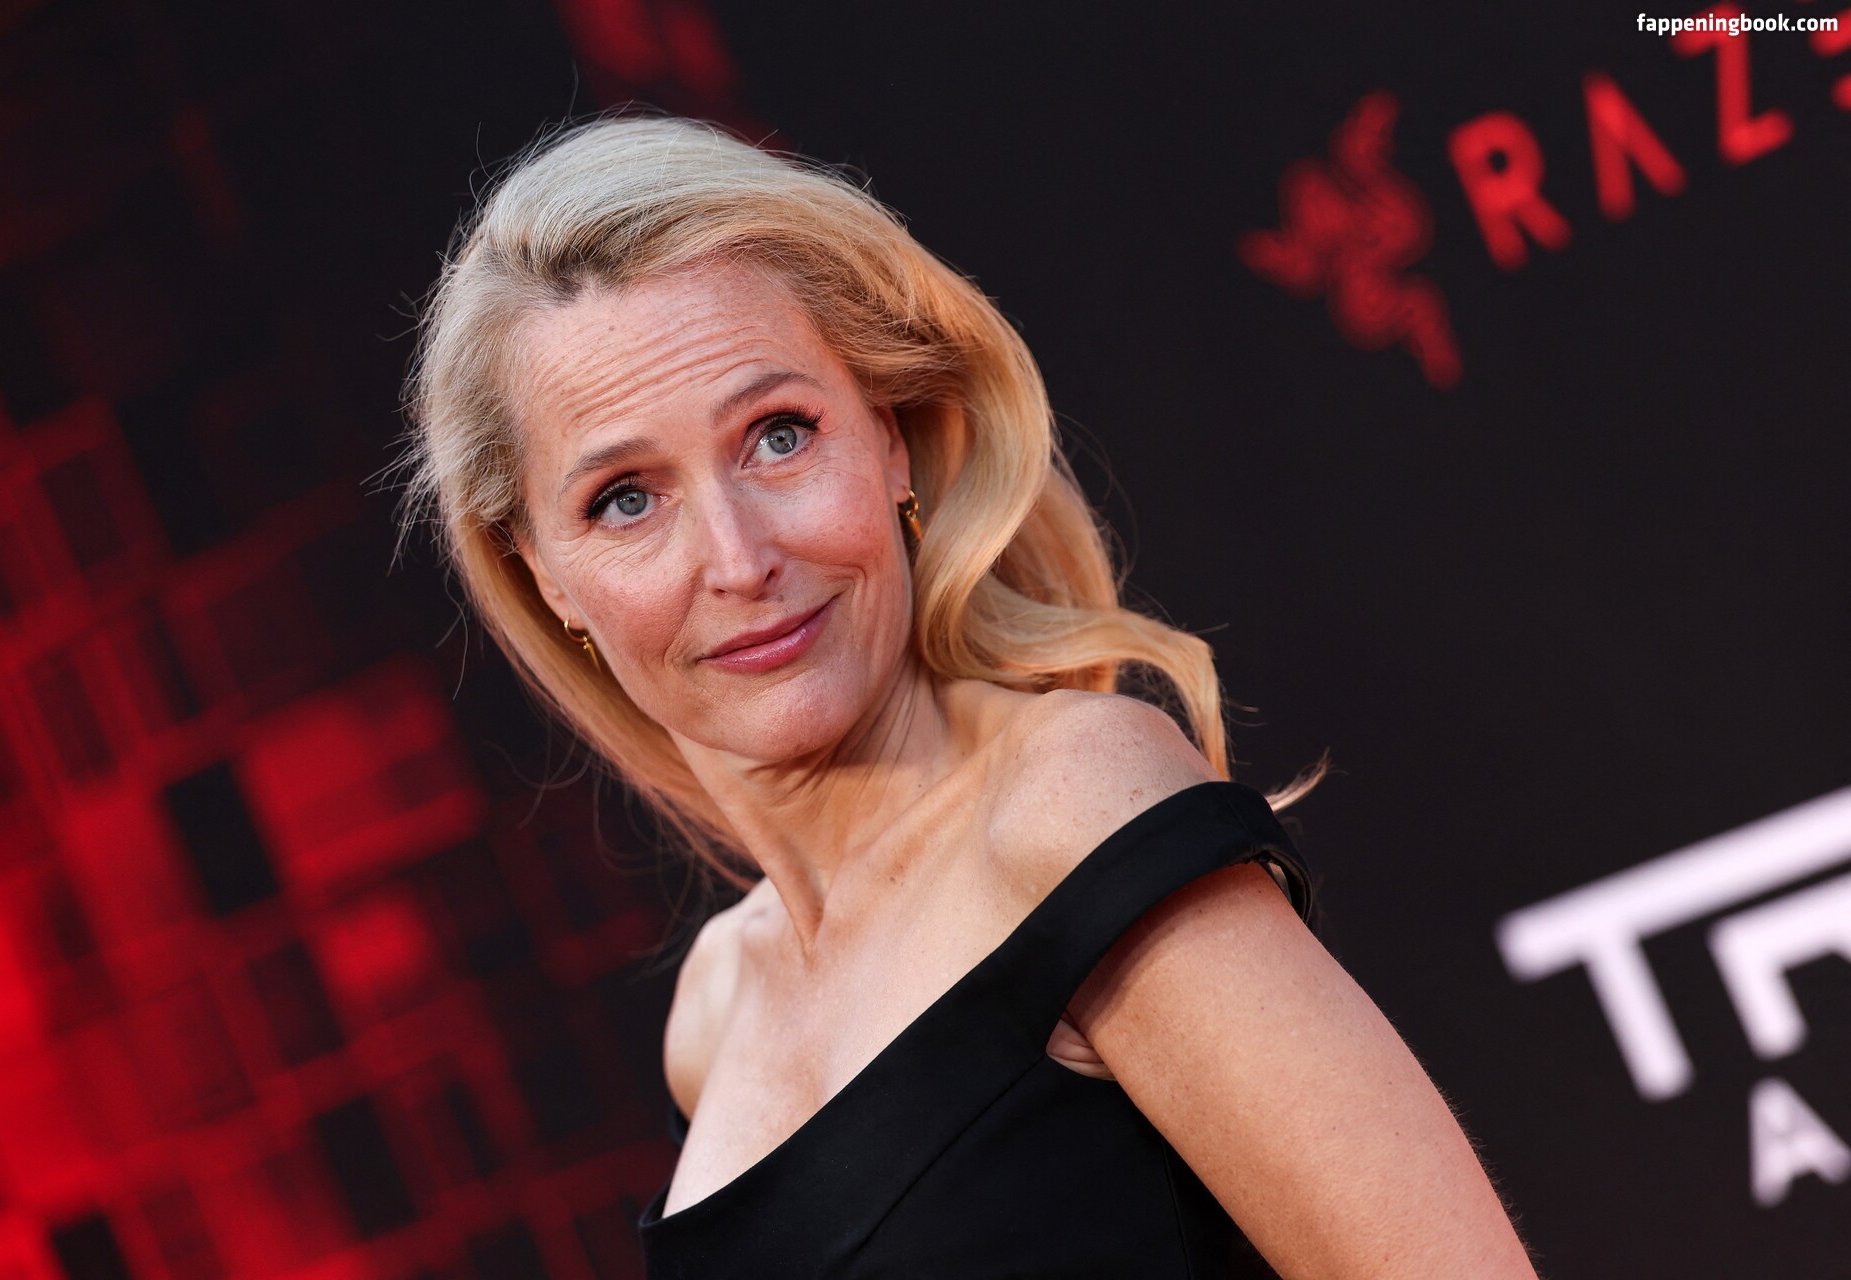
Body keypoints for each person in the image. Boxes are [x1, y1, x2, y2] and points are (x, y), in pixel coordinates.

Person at [392, 112, 1538, 1278]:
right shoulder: (714, 1014)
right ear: (546, 575)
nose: (738, 559)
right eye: (627, 499)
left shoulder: (1072, 806)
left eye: (778, 436)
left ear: (889, 438)